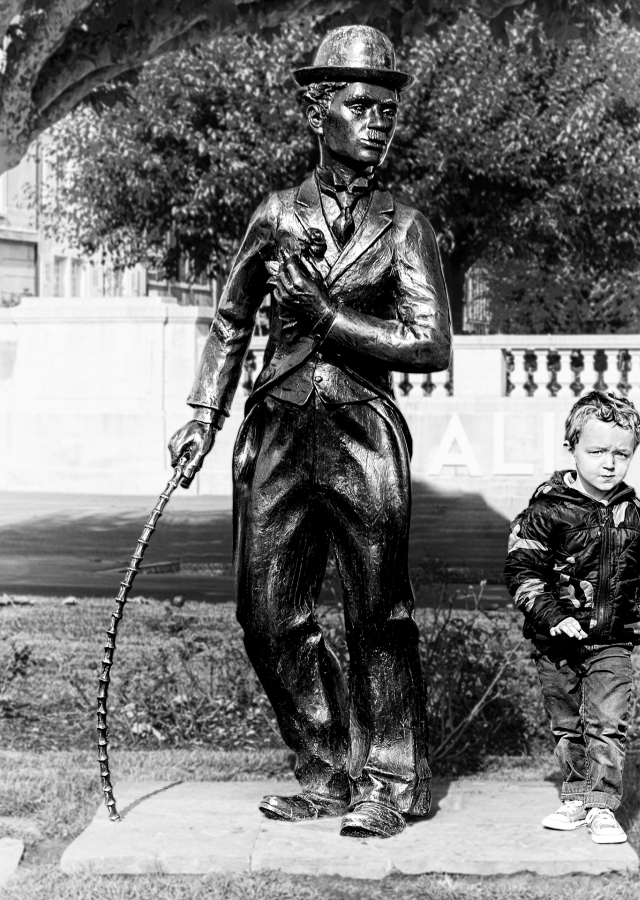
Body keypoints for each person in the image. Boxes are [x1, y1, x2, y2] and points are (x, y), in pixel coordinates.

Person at [167, 25, 451, 839]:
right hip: (281, 433)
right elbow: (228, 319)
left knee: (378, 615)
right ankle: (327, 766)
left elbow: (428, 344)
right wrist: (201, 416)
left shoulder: (406, 228)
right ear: (316, 111)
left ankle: (392, 782)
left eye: (387, 112)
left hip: (364, 430)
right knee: (267, 614)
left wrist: (330, 318)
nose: (377, 123)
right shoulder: (275, 215)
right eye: (360, 106)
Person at [504, 390, 640, 845]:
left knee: (606, 723)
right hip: (556, 645)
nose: (609, 463)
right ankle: (576, 796)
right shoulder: (547, 510)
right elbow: (523, 571)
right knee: (567, 724)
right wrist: (551, 615)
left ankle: (602, 806)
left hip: (612, 642)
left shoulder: (637, 517)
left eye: (621, 454)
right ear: (572, 449)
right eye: (597, 451)